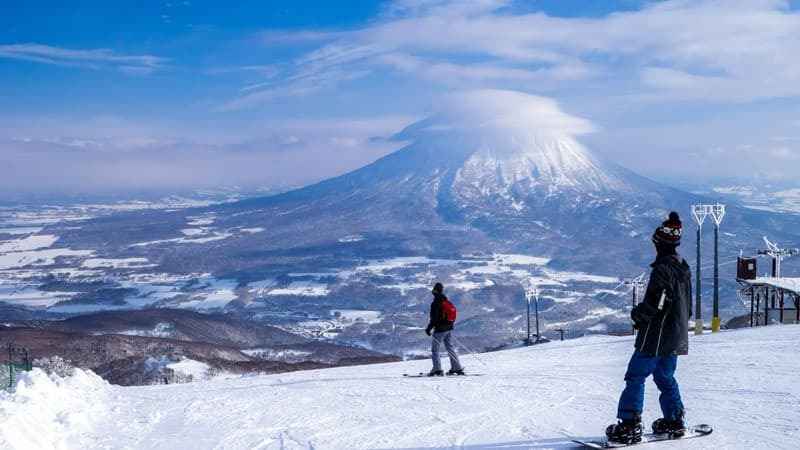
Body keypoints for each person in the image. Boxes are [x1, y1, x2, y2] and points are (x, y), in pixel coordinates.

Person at [606, 212, 693, 445]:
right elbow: (688, 306)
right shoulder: (683, 267)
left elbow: (656, 303)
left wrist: (638, 315)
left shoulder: (662, 269)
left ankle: (630, 424)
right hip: (676, 336)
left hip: (657, 336)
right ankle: (675, 420)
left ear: (660, 243)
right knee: (665, 377)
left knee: (636, 375)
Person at [424, 282, 465, 376]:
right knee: (450, 348)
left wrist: (428, 329)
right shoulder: (446, 301)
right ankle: (457, 368)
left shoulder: (435, 303)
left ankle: (437, 369)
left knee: (435, 350)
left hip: (440, 330)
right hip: (449, 328)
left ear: (435, 291)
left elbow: (434, 318)